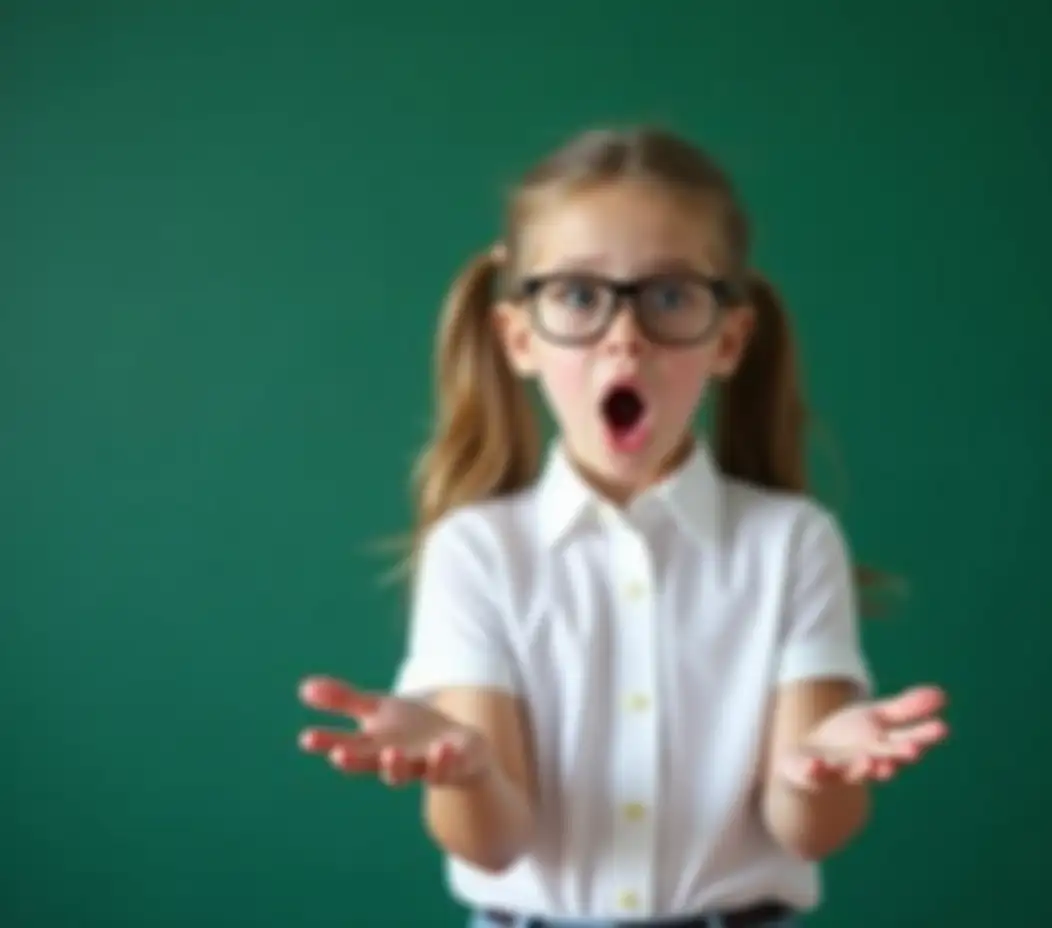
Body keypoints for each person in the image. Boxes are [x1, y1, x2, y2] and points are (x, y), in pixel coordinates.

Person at [298, 126, 948, 928]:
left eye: (670, 296)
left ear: (729, 340)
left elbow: (810, 832)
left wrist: (822, 775)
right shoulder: (477, 551)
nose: (624, 335)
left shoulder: (792, 544)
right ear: (519, 338)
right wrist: (464, 774)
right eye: (578, 294)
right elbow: (492, 845)